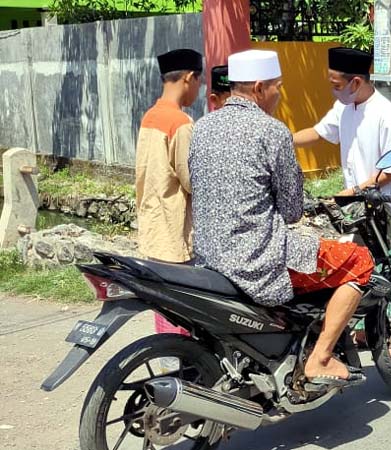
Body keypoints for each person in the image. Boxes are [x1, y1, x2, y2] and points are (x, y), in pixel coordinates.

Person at [189, 49, 374, 386]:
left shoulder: (202, 127)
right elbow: (291, 211)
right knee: (359, 260)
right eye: (278, 87)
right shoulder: (272, 132)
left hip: (207, 258)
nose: (279, 95)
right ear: (260, 88)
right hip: (257, 261)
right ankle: (320, 358)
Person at [293, 47, 391, 350]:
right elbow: (319, 133)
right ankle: (364, 329)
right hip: (356, 213)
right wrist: (282, 139)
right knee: (359, 270)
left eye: (337, 85)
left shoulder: (385, 113)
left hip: (386, 211)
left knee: (389, 274)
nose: (334, 91)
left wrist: (353, 191)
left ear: (356, 82)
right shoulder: (345, 109)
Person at [135, 48, 202, 336]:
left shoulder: (150, 117)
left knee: (163, 308)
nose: (199, 89)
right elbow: (191, 180)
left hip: (152, 230)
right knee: (183, 308)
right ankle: (184, 367)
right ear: (188, 78)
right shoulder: (181, 123)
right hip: (175, 233)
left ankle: (167, 363)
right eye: (199, 82)